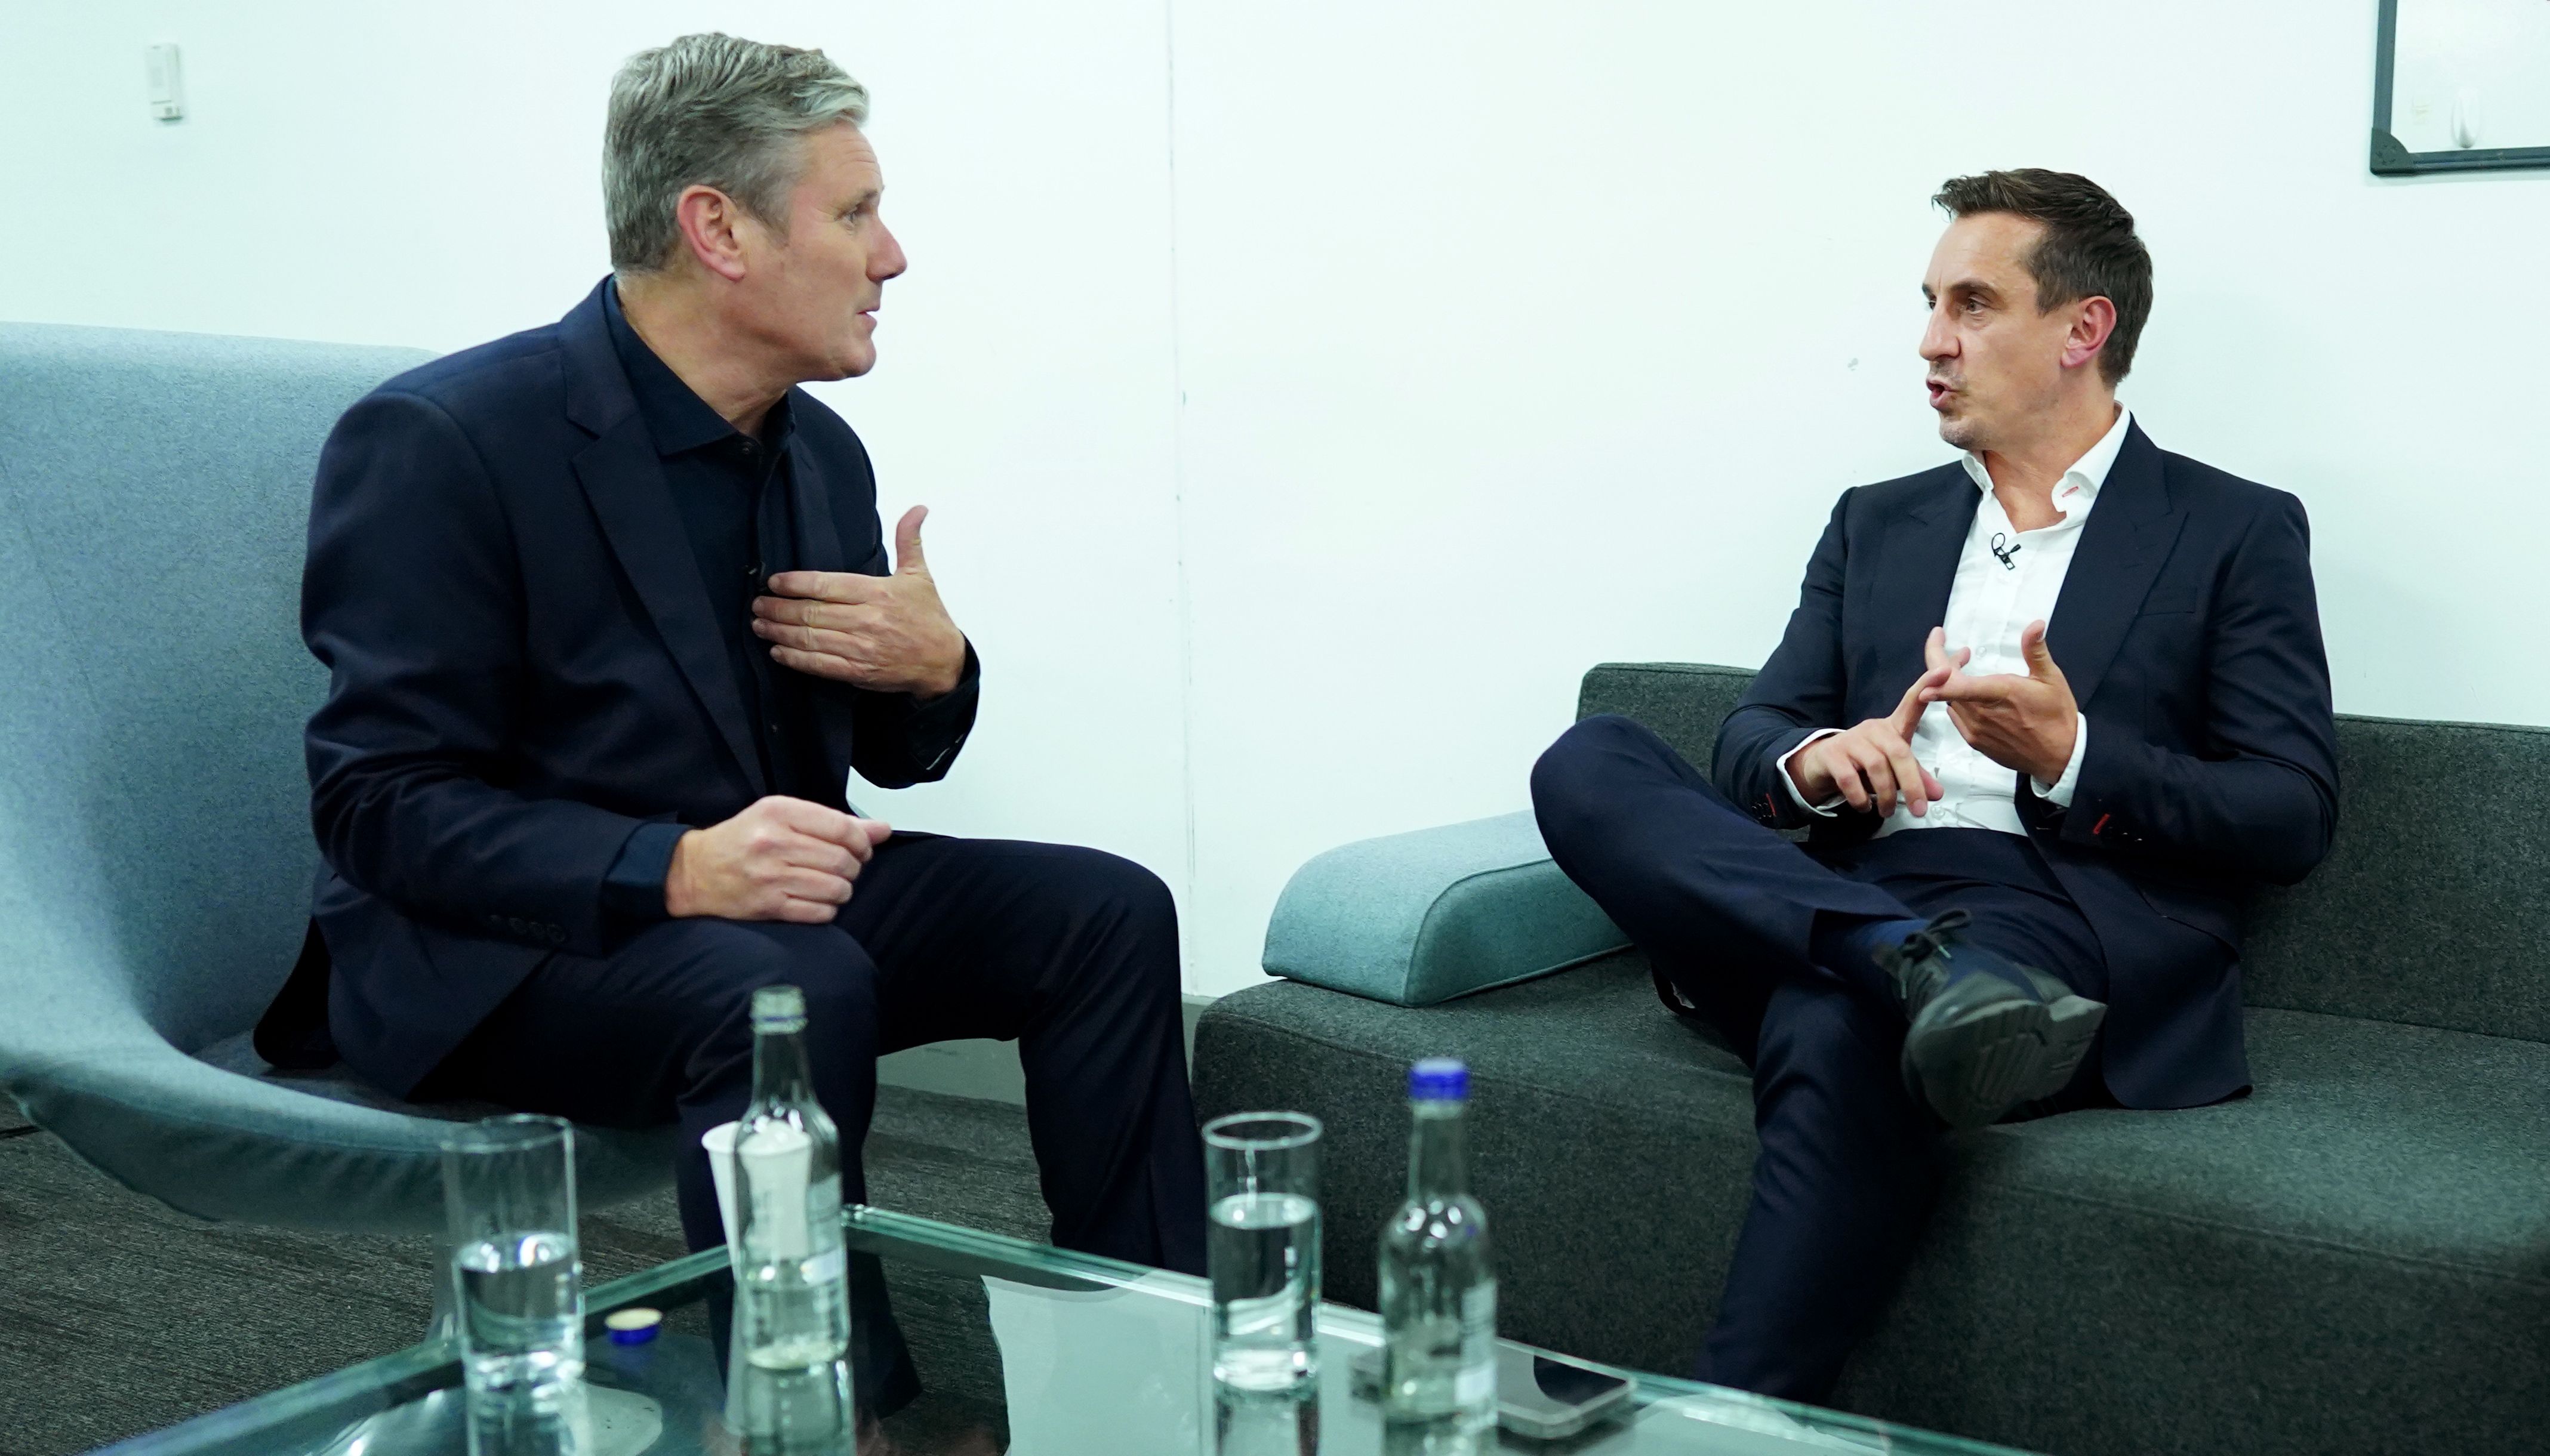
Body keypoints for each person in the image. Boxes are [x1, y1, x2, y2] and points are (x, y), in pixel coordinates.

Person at [255, 32, 1208, 1382]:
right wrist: (675, 866)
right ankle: (827, 1400)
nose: (893, 256)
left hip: (756, 904)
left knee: (1105, 912)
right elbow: (377, 806)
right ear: (718, 228)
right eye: (856, 212)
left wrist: (937, 672)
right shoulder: (449, 438)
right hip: (506, 947)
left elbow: (879, 754)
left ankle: (1145, 1361)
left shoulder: (818, 447)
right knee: (785, 986)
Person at [1528, 169, 2336, 1402]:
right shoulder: (1877, 522)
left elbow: (2290, 810)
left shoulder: (2233, 529)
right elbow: (1757, 723)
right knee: (1589, 759)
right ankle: (1912, 962)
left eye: (1971, 303)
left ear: (2083, 331)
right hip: (1855, 878)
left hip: (2049, 912)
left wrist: (2072, 757)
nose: (1930, 340)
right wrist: (1812, 762)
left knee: (1833, 1019)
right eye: (1929, 302)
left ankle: (1730, 1415)